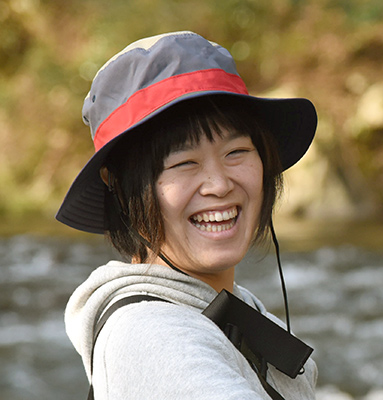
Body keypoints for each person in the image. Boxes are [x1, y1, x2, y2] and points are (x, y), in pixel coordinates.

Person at [57, 31, 318, 400]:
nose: (218, 184)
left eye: (236, 151)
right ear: (119, 185)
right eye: (183, 162)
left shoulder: (241, 318)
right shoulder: (151, 336)